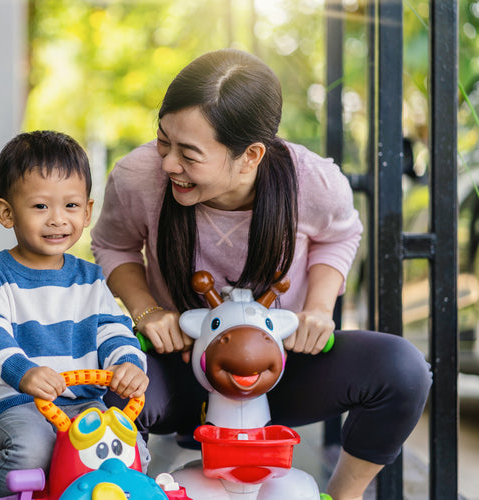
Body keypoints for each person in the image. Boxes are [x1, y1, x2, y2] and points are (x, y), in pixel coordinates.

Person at [91, 49, 431, 500]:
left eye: (189, 154)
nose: (170, 163)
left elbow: (341, 236)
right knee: (113, 385)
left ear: (250, 155)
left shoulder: (313, 181)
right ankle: (136, 492)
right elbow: (112, 244)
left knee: (403, 370)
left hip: (277, 375)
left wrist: (317, 309)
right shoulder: (138, 177)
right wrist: (147, 310)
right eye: (163, 140)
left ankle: (343, 497)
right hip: (181, 371)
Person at [0, 130, 149, 500]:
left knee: (132, 451)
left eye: (71, 206)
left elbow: (114, 330)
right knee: (33, 449)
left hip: (82, 401)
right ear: (6, 212)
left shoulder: (91, 278)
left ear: (88, 211)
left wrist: (127, 363)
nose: (58, 220)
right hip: (9, 400)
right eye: (41, 207)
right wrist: (24, 373)